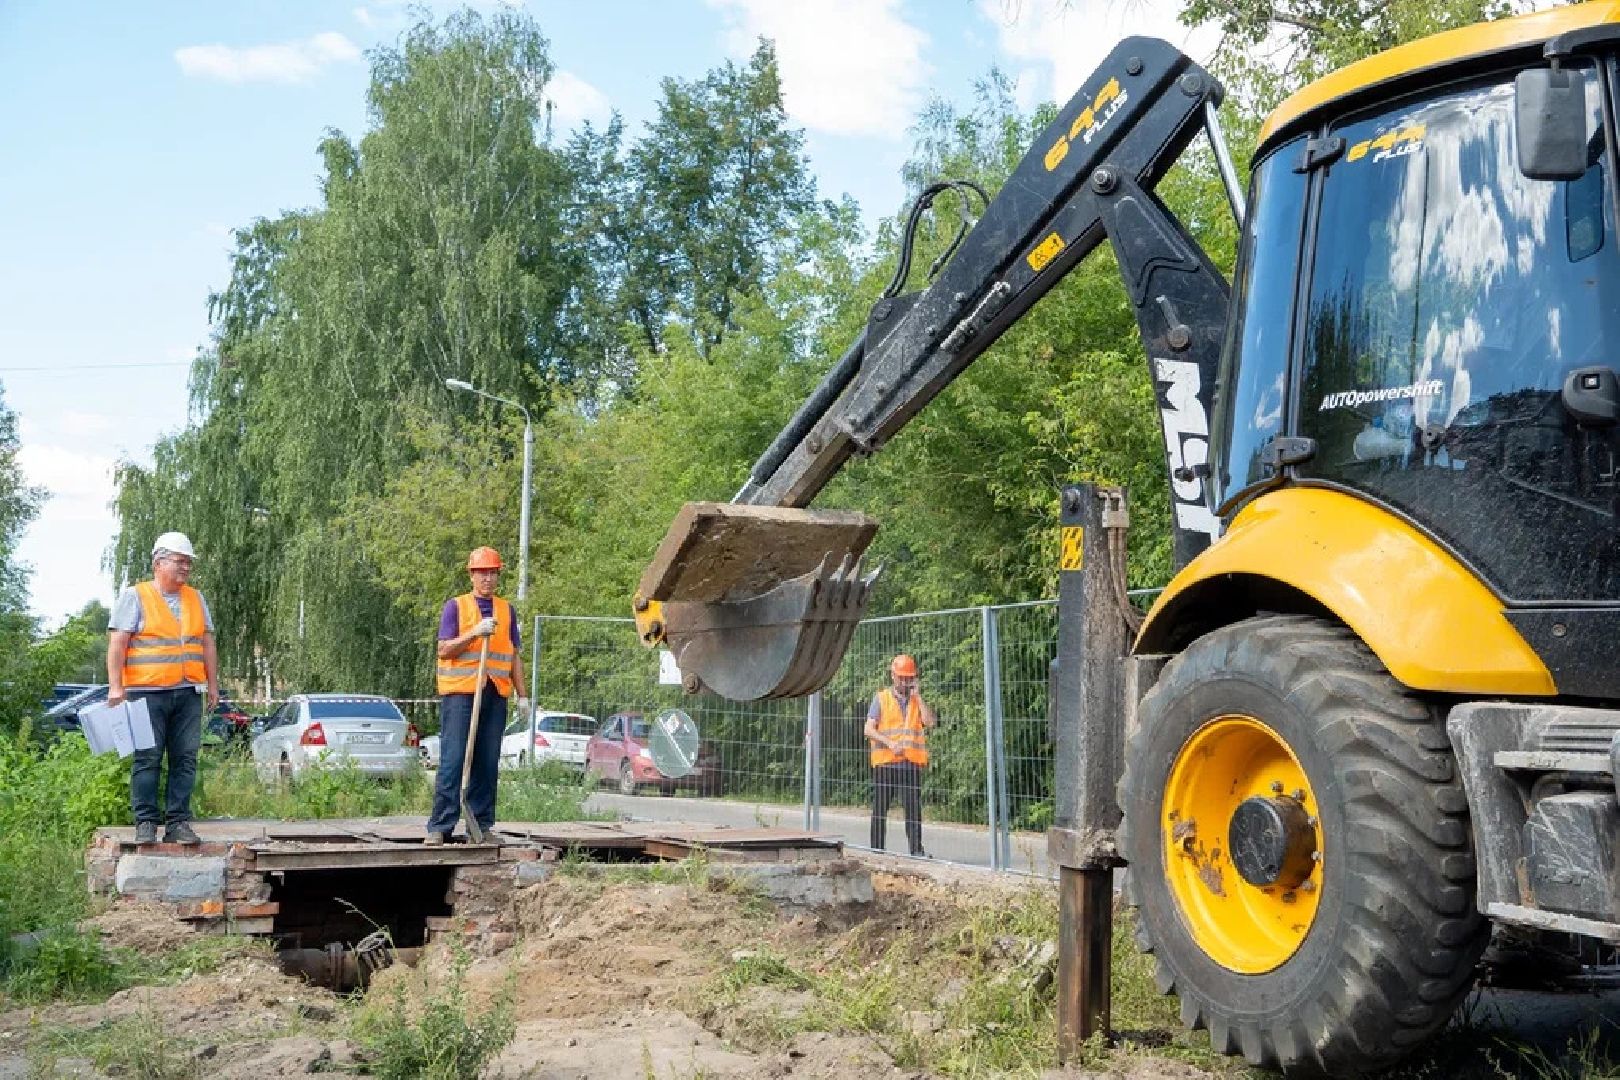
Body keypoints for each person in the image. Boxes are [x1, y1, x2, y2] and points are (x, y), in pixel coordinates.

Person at [107, 532, 220, 846]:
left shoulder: (195, 598)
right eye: (180, 561)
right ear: (159, 562)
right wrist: (116, 686)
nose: (185, 568)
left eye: (188, 563)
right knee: (148, 758)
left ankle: (178, 823)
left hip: (187, 692)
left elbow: (207, 641)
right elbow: (118, 642)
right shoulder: (136, 596)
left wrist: (212, 684)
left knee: (185, 758)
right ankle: (145, 823)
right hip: (146, 693)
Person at [426, 546, 528, 844]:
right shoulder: (455, 607)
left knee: (487, 760)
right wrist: (474, 633)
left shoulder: (506, 610)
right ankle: (440, 826)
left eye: (493, 572)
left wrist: (522, 696)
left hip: (495, 693)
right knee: (454, 759)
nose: (488, 578)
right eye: (482, 572)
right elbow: (444, 649)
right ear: (472, 575)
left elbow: (514, 655)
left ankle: (480, 825)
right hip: (461, 695)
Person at [864, 653, 935, 857]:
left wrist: (918, 697)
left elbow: (929, 722)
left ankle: (916, 850)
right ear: (893, 676)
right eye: (901, 677)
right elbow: (868, 729)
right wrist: (889, 743)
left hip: (910, 764)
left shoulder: (915, 702)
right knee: (880, 810)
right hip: (886, 764)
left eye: (908, 678)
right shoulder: (881, 699)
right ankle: (876, 851)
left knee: (913, 811)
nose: (904, 682)